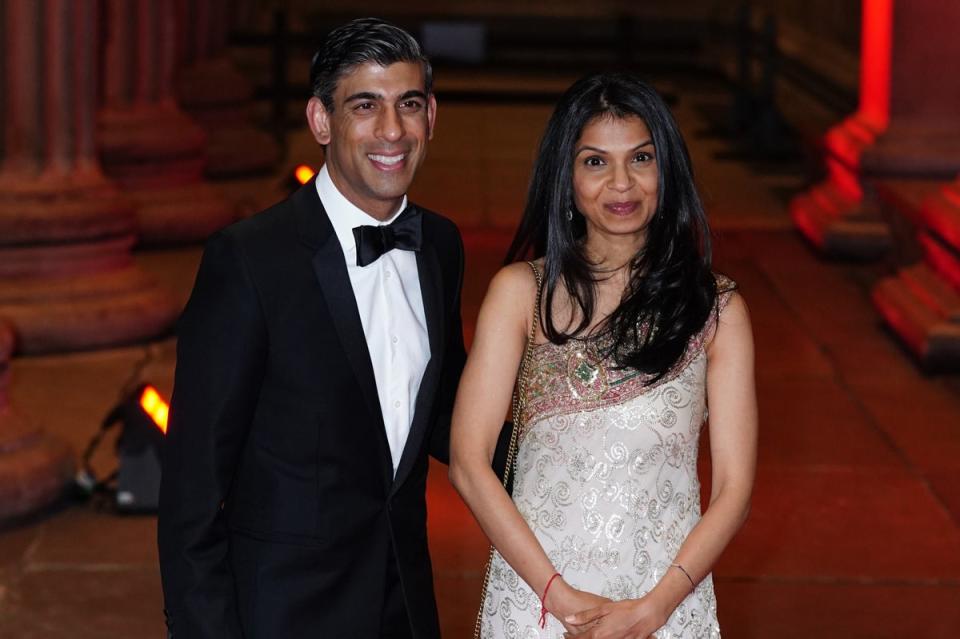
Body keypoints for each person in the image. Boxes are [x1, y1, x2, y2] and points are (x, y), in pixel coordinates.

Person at [158, 18, 466, 639]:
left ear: (430, 115)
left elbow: (444, 417)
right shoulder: (249, 260)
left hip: (404, 605)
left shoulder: (440, 245)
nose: (391, 131)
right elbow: (193, 490)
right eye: (365, 106)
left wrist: (577, 452)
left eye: (408, 104)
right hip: (283, 613)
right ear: (321, 121)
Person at [450, 73, 757, 639]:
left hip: (665, 606)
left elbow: (734, 489)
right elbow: (468, 461)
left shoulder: (716, 311)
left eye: (641, 158)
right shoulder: (522, 294)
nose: (622, 183)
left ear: (668, 168)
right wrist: (557, 598)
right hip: (535, 602)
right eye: (595, 162)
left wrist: (656, 607)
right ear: (565, 177)